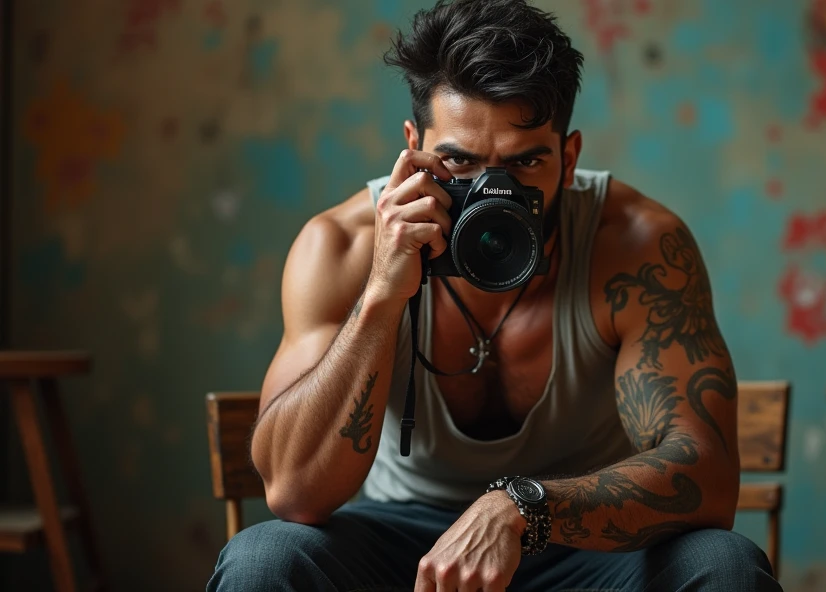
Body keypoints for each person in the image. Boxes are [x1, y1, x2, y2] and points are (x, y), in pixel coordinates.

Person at [208, 1, 781, 590]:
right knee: (263, 560)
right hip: (402, 544)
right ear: (413, 147)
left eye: (525, 161)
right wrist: (382, 293)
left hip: (576, 537)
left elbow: (707, 477)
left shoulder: (635, 246)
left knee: (724, 565)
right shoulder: (343, 247)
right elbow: (293, 493)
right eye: (458, 160)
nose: (493, 191)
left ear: (570, 159)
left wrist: (522, 508)